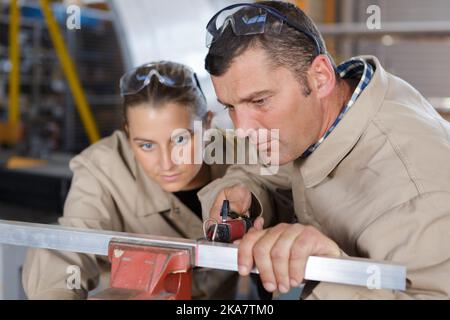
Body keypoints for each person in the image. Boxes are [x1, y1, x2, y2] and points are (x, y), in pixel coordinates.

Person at [199, 1, 450, 299]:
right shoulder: (322, 113)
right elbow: (263, 170)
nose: (242, 129)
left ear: (320, 77)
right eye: (230, 106)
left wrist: (334, 271)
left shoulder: (416, 192)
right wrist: (245, 195)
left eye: (259, 101)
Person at [22, 61, 239, 299]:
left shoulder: (241, 156)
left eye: (180, 140)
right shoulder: (102, 168)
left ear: (207, 124)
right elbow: (70, 243)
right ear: (127, 133)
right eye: (146, 145)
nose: (166, 163)